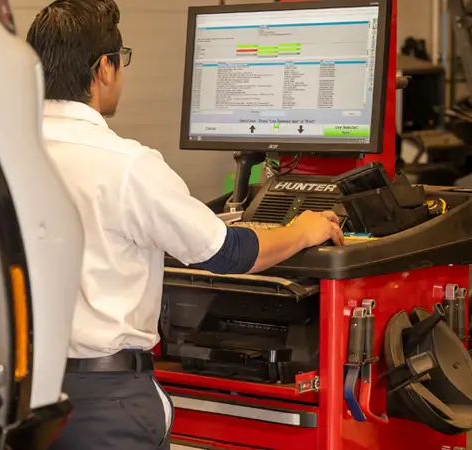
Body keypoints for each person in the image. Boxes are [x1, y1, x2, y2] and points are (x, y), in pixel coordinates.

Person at [26, 1, 344, 448]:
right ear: (103, 69)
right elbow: (227, 252)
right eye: (123, 59)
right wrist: (303, 230)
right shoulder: (126, 166)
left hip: (24, 400)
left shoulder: (1, 154)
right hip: (104, 404)